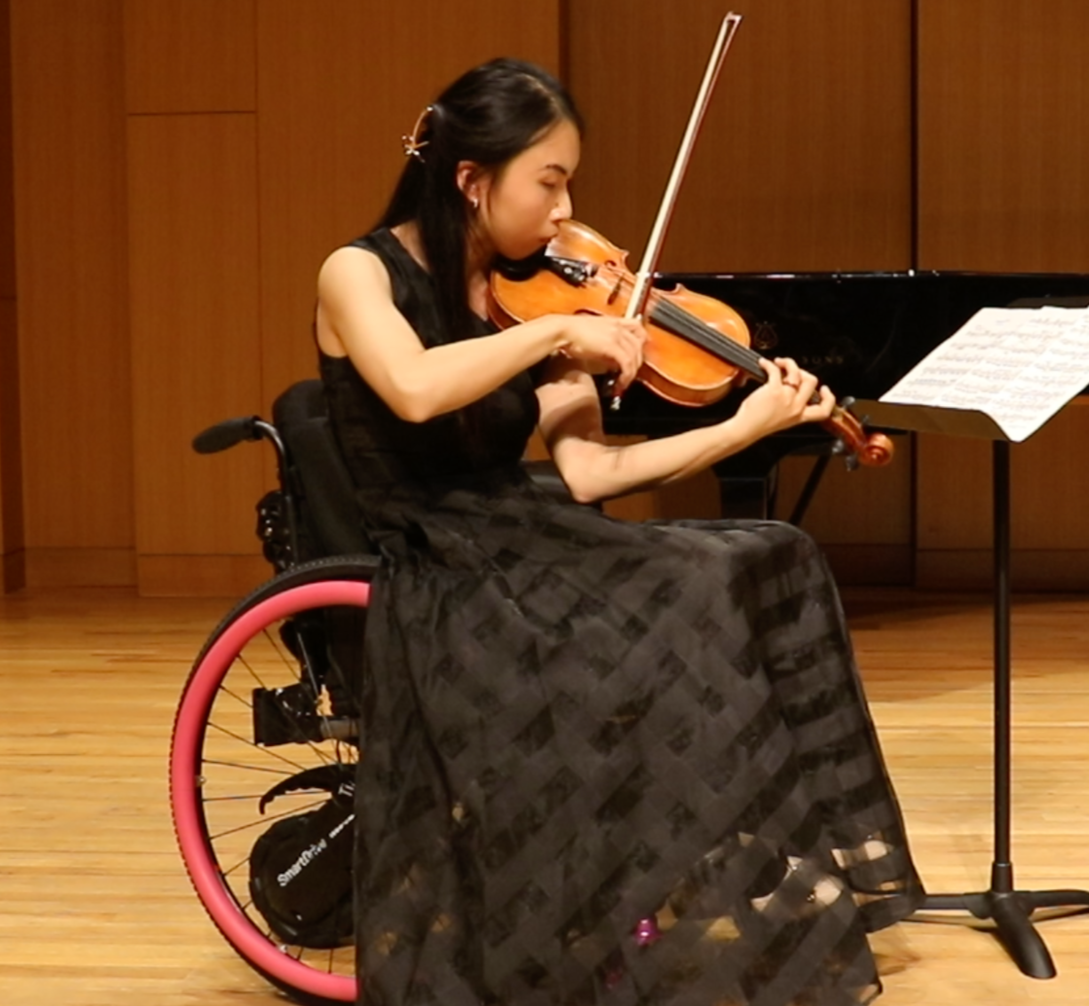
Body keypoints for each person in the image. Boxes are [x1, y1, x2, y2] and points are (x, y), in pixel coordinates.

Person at [315, 57, 923, 1006]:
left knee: (772, 554)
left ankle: (670, 867)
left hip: (527, 529)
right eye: (549, 181)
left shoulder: (532, 292)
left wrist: (741, 426)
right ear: (473, 180)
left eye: (570, 184)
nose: (565, 212)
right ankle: (622, 878)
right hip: (435, 557)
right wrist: (555, 340)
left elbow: (591, 473)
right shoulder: (359, 272)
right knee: (678, 603)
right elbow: (416, 387)